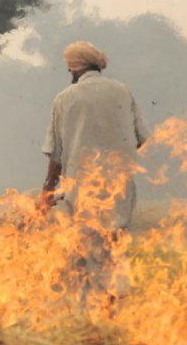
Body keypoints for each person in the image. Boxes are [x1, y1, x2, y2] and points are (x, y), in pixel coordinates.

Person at [40, 41, 149, 296]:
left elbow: (56, 153)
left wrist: (47, 191)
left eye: (69, 68)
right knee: (112, 246)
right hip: (120, 186)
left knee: (82, 249)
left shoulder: (65, 98)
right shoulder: (123, 91)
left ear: (75, 68)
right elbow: (141, 138)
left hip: (81, 186)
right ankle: (110, 306)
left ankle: (89, 309)